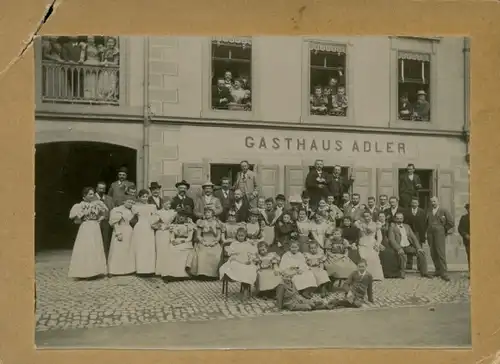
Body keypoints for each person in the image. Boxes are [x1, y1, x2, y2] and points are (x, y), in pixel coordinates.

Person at [68, 187, 108, 279]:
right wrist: (82, 215)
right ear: (84, 196)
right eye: (90, 194)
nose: (92, 195)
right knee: (86, 247)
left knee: (95, 246)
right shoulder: (80, 205)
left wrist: (100, 219)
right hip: (85, 227)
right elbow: (74, 218)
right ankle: (84, 272)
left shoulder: (97, 204)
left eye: (93, 194)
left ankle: (96, 271)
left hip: (95, 226)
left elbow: (104, 213)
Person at [388, 212, 431, 279]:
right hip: (400, 246)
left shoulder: (407, 226)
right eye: (398, 218)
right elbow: (391, 240)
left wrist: (419, 248)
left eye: (401, 218)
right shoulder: (392, 227)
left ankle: (424, 272)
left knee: (421, 253)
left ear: (403, 219)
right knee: (401, 254)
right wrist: (398, 248)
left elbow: (414, 238)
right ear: (395, 219)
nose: (399, 220)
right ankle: (402, 273)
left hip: (408, 246)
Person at [219, 227, 258, 300]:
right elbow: (231, 255)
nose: (240, 237)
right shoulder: (234, 244)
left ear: (245, 236)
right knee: (238, 267)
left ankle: (245, 288)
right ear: (236, 236)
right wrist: (238, 260)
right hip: (236, 261)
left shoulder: (247, 244)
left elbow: (251, 254)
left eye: (242, 236)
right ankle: (245, 288)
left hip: (245, 261)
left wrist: (249, 260)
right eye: (239, 235)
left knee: (250, 268)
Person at [160, 207, 195, 281]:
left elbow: (189, 238)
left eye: (183, 216)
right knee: (171, 250)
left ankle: (182, 274)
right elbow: (172, 236)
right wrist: (173, 241)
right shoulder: (174, 225)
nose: (181, 218)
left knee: (183, 251)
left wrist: (181, 241)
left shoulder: (189, 226)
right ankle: (170, 273)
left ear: (186, 217)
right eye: (180, 216)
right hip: (176, 241)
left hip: (186, 242)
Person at [189, 207, 222, 280]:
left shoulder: (217, 223)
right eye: (206, 212)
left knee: (217, 253)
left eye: (209, 212)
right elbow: (198, 235)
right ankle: (202, 274)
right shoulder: (202, 222)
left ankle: (213, 274)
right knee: (202, 253)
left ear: (213, 214)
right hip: (204, 240)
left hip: (213, 241)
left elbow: (218, 236)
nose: (207, 214)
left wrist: (215, 242)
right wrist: (203, 242)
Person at [426, 196, 454, 281]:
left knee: (440, 252)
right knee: (433, 252)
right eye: (431, 202)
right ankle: (437, 270)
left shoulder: (444, 211)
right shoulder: (429, 211)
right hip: (430, 233)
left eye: (434, 201)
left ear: (438, 202)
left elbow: (451, 223)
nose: (433, 203)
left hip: (439, 234)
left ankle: (444, 272)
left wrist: (443, 230)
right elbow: (426, 222)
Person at [130, 189, 157, 276]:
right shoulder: (135, 207)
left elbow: (155, 217)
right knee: (140, 247)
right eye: (143, 197)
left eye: (146, 197)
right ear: (139, 197)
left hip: (149, 227)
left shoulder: (152, 206)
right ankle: (140, 269)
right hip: (140, 227)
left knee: (149, 247)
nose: (145, 198)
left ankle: (150, 269)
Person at [107, 197, 136, 276]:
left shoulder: (131, 211)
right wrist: (118, 233)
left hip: (129, 231)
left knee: (127, 250)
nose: (130, 204)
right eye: (129, 202)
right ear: (124, 201)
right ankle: (114, 270)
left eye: (132, 203)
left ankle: (127, 270)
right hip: (120, 230)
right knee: (117, 250)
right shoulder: (117, 210)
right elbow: (115, 223)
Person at [354, 211, 385, 281]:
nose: (366, 218)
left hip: (372, 243)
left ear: (371, 216)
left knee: (373, 257)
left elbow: (379, 237)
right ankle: (363, 275)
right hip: (363, 243)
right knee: (363, 257)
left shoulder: (376, 224)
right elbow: (357, 233)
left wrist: (377, 244)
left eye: (368, 216)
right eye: (365, 216)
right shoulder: (360, 224)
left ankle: (374, 276)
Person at [151, 198, 178, 277]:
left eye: (169, 204)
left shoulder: (172, 212)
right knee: (161, 250)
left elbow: (176, 220)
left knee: (168, 250)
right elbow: (153, 224)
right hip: (161, 233)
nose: (168, 206)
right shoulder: (158, 212)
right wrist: (162, 227)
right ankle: (160, 270)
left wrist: (171, 226)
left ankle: (168, 270)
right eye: (167, 204)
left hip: (169, 232)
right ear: (163, 204)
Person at [404, 196, 427, 269]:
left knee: (419, 249)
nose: (414, 204)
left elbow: (425, 224)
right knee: (409, 249)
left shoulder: (422, 212)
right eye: (413, 202)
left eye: (415, 202)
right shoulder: (407, 211)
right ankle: (409, 265)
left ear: (418, 203)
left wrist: (423, 235)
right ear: (411, 203)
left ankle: (420, 266)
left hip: (418, 233)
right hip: (409, 233)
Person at [377, 213, 401, 278]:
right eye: (380, 216)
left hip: (387, 241)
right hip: (378, 242)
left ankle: (392, 272)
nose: (381, 218)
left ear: (385, 217)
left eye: (383, 216)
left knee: (391, 252)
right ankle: (383, 272)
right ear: (378, 217)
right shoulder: (375, 224)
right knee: (382, 253)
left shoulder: (389, 224)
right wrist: (378, 244)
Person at [95, 181, 114, 259]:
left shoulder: (109, 199)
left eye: (103, 189)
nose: (101, 190)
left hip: (106, 223)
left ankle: (105, 259)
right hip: (95, 222)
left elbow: (112, 210)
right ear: (96, 188)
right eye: (100, 188)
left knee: (106, 241)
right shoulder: (92, 198)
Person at [458, 203, 470, 274]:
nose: (469, 210)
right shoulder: (463, 218)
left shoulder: (478, 217)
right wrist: (465, 235)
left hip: (478, 242)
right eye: (468, 208)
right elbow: (460, 228)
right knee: (469, 257)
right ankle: (471, 272)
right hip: (468, 241)